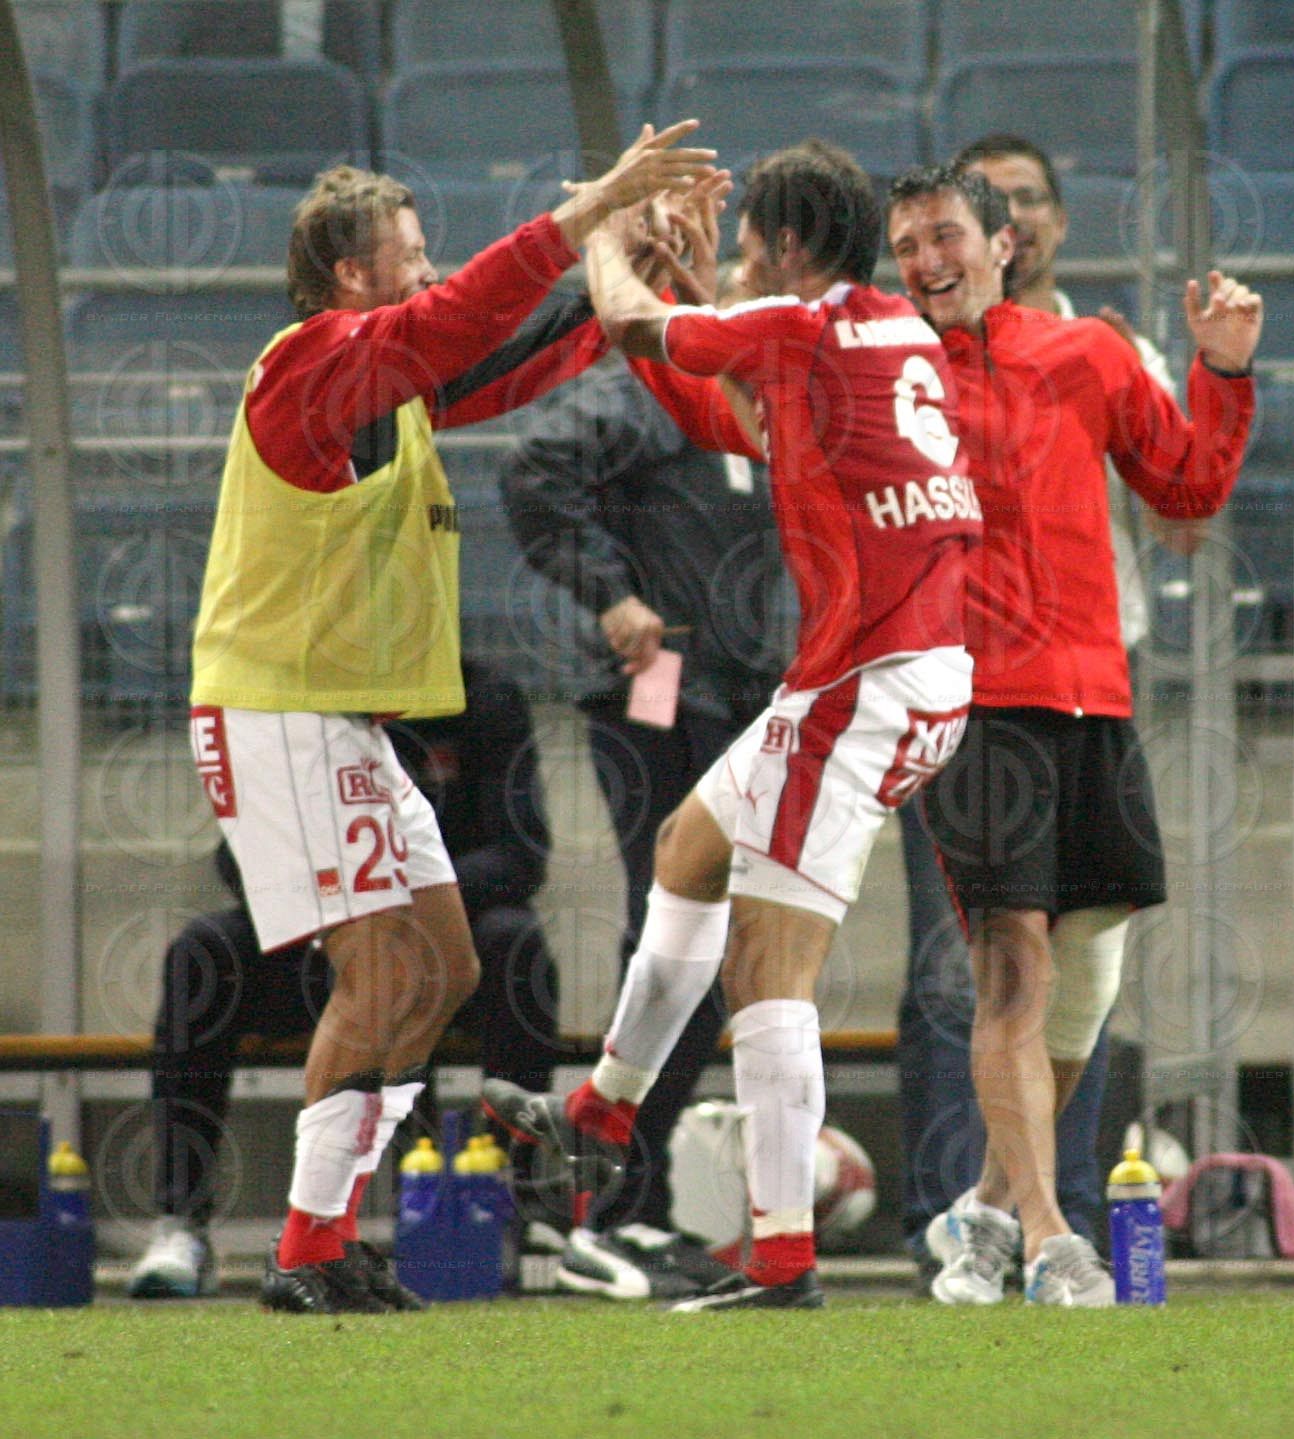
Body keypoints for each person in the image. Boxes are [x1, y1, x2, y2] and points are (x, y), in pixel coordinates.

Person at [186, 121, 718, 1313]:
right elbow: (462, 319)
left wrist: (625, 267)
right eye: (411, 254)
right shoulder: (314, 362)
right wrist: (587, 214)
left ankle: (328, 1235)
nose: (429, 271)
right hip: (277, 709)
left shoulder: (392, 383)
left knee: (446, 965)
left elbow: (512, 354)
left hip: (341, 719)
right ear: (349, 275)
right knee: (381, 972)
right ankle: (305, 1248)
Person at [485, 140, 981, 1311]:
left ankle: (782, 1254)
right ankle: (601, 1112)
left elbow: (641, 330)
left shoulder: (802, 330)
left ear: (791, 247)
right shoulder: (893, 334)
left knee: (768, 965)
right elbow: (734, 418)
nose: (743, 251)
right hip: (900, 674)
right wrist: (696, 295)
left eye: (752, 236)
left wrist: (611, 238)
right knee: (687, 850)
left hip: (866, 683)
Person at [886, 163, 1261, 1306]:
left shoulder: (1089, 353)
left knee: (1086, 979)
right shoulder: (888, 377)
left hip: (1094, 698)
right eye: (906, 246)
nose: (926, 261)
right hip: (971, 707)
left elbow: (1187, 490)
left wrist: (1222, 372)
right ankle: (1051, 1235)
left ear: (1002, 245)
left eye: (945, 236)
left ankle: (986, 1211)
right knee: (1014, 965)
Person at [129, 659, 558, 1299]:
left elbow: (520, 856)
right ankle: (184, 1221)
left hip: (444, 925)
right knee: (203, 953)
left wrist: (398, 897)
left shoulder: (484, 697)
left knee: (507, 950)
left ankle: (507, 1209)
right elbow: (239, 860)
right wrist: (344, 899)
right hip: (319, 930)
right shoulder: (295, 695)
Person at [498, 349, 786, 1299]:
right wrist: (613, 595)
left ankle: (629, 1196)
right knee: (673, 937)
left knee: (714, 948)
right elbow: (535, 467)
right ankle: (602, 1201)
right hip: (659, 694)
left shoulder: (758, 397)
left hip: (737, 699)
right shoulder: (652, 386)